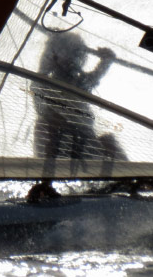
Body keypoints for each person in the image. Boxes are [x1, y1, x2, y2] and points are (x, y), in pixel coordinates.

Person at [27, 31, 122, 202]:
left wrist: (107, 59)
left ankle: (130, 180)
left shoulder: (81, 82)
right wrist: (53, 53)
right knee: (51, 124)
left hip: (82, 146)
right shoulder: (42, 80)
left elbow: (99, 71)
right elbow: (42, 95)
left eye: (78, 55)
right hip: (56, 150)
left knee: (109, 140)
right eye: (71, 54)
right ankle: (45, 185)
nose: (75, 60)